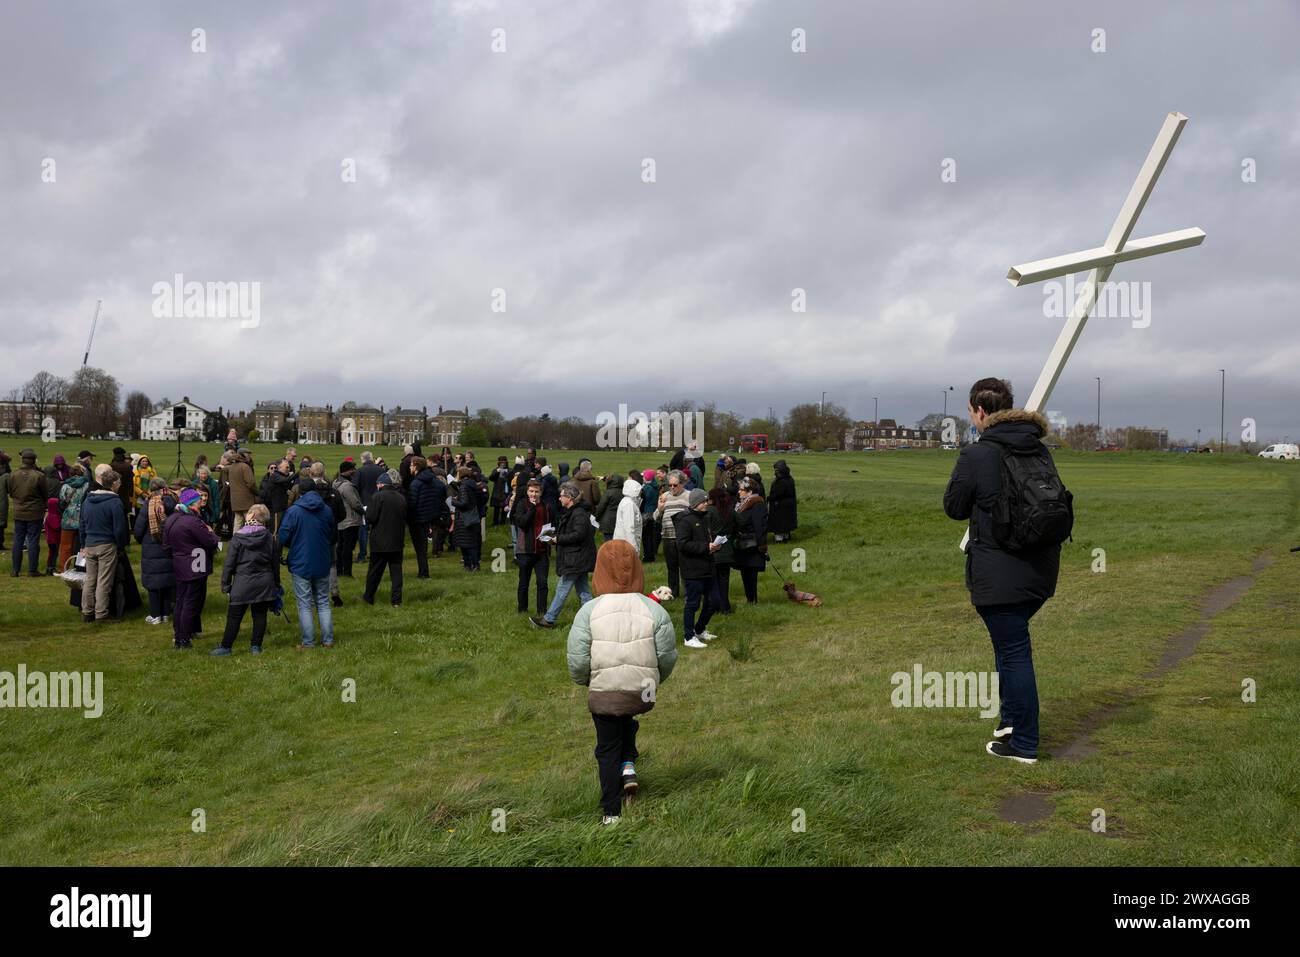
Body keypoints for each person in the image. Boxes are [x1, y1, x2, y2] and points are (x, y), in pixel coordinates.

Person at [943, 377, 1062, 765]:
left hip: (1000, 574)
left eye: (970, 413)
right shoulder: (1039, 449)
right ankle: (1010, 721)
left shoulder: (979, 454)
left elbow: (954, 507)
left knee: (1013, 651)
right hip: (1041, 570)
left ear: (979, 411)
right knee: (1009, 647)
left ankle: (1024, 743)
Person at [566, 540, 677, 824]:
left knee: (606, 747)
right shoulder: (654, 610)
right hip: (644, 691)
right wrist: (653, 681)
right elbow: (666, 656)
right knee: (627, 716)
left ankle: (611, 813)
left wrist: (586, 682)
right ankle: (628, 766)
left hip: (605, 691)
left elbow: (578, 659)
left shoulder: (589, 611)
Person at [213, 503, 281, 656]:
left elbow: (229, 563)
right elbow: (275, 564)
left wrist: (225, 584)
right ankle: (256, 646)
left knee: (234, 616)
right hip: (264, 581)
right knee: (259, 615)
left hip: (242, 583)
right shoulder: (270, 538)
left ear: (251, 516)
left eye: (249, 512)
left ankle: (226, 647)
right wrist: (276, 585)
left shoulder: (238, 537)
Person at [278, 475, 337, 648]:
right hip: (321, 558)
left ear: (300, 492)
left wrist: (293, 544)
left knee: (304, 603)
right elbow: (333, 535)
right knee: (323, 601)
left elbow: (283, 536)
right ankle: (327, 640)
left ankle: (308, 641)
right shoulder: (326, 510)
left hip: (301, 560)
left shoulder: (294, 511)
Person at [531, 482, 595, 629]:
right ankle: (594, 619)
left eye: (561, 496)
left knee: (562, 589)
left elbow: (578, 535)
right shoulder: (574, 512)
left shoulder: (578, 514)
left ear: (570, 498)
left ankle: (548, 620)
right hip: (578, 558)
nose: (559, 498)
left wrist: (558, 539)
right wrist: (554, 537)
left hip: (576, 559)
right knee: (584, 592)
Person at [162, 488, 217, 648]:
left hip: (180, 564)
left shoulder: (172, 518)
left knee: (181, 601)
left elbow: (166, 546)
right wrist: (211, 532)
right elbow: (211, 542)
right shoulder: (192, 521)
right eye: (199, 500)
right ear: (192, 503)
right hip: (195, 565)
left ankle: (179, 634)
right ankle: (184, 638)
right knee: (191, 602)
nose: (202, 502)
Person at [79, 465, 129, 622]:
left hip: (90, 543)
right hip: (107, 544)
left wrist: (83, 544)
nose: (120, 485)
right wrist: (121, 546)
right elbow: (119, 529)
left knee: (89, 579)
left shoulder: (88, 499)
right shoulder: (115, 502)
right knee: (104, 581)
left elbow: (82, 524)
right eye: (119, 483)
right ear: (114, 484)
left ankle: (87, 612)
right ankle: (101, 614)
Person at [673, 489, 721, 648]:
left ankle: (699, 629)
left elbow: (708, 538)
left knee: (714, 600)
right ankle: (688, 636)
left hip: (708, 567)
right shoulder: (684, 520)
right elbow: (682, 544)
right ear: (695, 503)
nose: (706, 503)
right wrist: (705, 546)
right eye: (703, 501)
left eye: (706, 501)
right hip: (692, 569)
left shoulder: (706, 517)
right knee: (693, 604)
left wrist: (715, 545)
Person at [134, 477, 177, 625]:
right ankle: (165, 614)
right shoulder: (173, 503)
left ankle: (155, 615)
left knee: (152, 584)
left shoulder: (148, 505)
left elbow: (138, 529)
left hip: (151, 545)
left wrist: (142, 540)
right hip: (168, 546)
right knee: (166, 582)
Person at [362, 470, 406, 607]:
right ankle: (396, 601)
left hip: (379, 541)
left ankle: (368, 597)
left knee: (375, 571)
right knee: (396, 572)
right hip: (397, 539)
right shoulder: (401, 497)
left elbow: (370, 517)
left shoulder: (378, 496)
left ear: (381, 484)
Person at [510, 478, 553, 616]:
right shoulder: (522, 504)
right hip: (525, 551)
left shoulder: (546, 506)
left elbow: (551, 524)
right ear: (527, 492)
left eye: (536, 492)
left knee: (542, 583)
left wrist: (550, 536)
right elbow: (521, 522)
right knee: (524, 582)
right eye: (531, 491)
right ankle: (522, 610)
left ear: (541, 492)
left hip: (542, 551)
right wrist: (532, 508)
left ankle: (542, 611)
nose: (533, 494)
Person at [8, 449, 50, 577]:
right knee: (33, 541)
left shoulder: (13, 474)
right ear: (34, 461)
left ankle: (15, 570)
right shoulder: (39, 476)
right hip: (35, 512)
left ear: (22, 460)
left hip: (18, 510)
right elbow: (45, 494)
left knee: (18, 541)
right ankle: (32, 570)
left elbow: (11, 492)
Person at [653, 470, 690, 599]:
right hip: (667, 537)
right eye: (670, 485)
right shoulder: (665, 496)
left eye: (675, 485)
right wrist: (660, 508)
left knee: (685, 568)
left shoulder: (689, 496)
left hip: (683, 538)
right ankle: (672, 594)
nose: (672, 488)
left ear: (682, 483)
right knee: (672, 568)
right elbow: (655, 517)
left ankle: (688, 595)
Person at [733, 476, 768, 604]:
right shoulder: (741, 504)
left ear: (750, 491)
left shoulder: (756, 504)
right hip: (742, 543)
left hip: (752, 544)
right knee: (744, 572)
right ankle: (750, 599)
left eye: (741, 490)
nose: (739, 492)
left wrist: (762, 545)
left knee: (751, 574)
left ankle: (753, 600)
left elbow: (759, 525)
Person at [707, 486, 737, 614]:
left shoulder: (710, 511)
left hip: (713, 548)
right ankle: (725, 607)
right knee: (724, 581)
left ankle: (715, 606)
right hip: (727, 549)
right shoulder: (730, 510)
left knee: (713, 582)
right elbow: (739, 524)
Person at [407, 456, 437, 578]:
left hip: (417, 519)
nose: (409, 467)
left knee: (420, 549)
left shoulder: (416, 483)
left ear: (416, 466)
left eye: (411, 465)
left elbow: (412, 503)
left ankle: (423, 573)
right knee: (422, 548)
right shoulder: (431, 479)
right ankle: (423, 571)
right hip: (427, 516)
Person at [334, 460, 363, 578]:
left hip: (340, 521)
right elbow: (355, 504)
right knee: (348, 548)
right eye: (353, 469)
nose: (355, 471)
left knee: (340, 547)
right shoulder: (347, 486)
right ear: (347, 471)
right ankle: (347, 572)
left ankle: (339, 570)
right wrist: (364, 511)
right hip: (350, 521)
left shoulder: (335, 483)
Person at [450, 466, 483, 571]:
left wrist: (453, 501)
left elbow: (464, 503)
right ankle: (471, 565)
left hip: (464, 518)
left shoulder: (464, 486)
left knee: (466, 544)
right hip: (471, 516)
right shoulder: (472, 484)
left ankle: (471, 565)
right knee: (470, 543)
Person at [57, 464, 89, 571]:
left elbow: (62, 499)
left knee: (66, 545)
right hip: (83, 517)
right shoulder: (87, 485)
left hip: (68, 518)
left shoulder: (66, 486)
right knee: (81, 545)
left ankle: (63, 568)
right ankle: (80, 567)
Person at [353, 450, 383, 562]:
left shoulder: (360, 471)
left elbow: (355, 487)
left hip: (364, 503)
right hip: (379, 503)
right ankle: (377, 553)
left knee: (363, 531)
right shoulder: (380, 470)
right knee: (378, 530)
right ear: (372, 458)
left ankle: (362, 555)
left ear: (362, 460)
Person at [226, 450, 259, 530]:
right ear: (243, 456)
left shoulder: (232, 467)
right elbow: (251, 483)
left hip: (235, 500)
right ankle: (252, 539)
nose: (250, 457)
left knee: (238, 523)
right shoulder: (245, 466)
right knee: (251, 522)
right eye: (248, 455)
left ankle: (235, 540)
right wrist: (257, 493)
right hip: (246, 500)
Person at [767, 459, 797, 542]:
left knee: (779, 523)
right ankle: (786, 537)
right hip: (788, 504)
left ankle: (779, 539)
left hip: (780, 505)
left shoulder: (781, 481)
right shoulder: (789, 478)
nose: (775, 472)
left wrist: (769, 498)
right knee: (786, 523)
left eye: (776, 470)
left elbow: (778, 494)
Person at [613, 476, 643, 553]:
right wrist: (634, 549)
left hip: (624, 542)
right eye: (639, 490)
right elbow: (629, 528)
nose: (640, 492)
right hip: (626, 545)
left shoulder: (627, 501)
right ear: (634, 490)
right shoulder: (629, 504)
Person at [593, 474, 624, 542]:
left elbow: (601, 507)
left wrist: (597, 518)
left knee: (609, 543)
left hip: (608, 522)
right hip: (620, 520)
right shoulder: (624, 493)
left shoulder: (608, 492)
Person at [639, 469, 660, 563]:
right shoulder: (655, 485)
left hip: (646, 514)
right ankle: (651, 555)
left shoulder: (647, 487)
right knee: (651, 536)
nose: (642, 478)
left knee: (646, 537)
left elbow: (642, 499)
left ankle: (647, 557)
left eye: (643, 476)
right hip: (653, 513)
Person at [489, 456, 511, 526]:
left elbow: (512, 479)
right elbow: (491, 478)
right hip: (497, 491)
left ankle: (503, 522)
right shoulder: (496, 470)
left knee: (504, 507)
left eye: (504, 462)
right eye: (501, 462)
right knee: (496, 507)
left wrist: (508, 475)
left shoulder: (510, 470)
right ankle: (495, 522)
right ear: (498, 463)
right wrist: (497, 472)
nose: (503, 464)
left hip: (506, 490)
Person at [42, 496, 61, 575]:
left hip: (51, 539)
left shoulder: (49, 515)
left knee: (52, 553)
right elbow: (56, 526)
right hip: (53, 539)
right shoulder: (53, 516)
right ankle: (51, 568)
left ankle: (49, 567)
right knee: (54, 553)